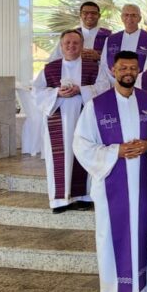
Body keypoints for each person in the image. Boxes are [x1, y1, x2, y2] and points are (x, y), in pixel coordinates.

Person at [73, 50, 147, 292]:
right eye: (123, 68)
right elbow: (82, 144)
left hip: (145, 181)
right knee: (112, 236)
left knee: (143, 232)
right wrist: (116, 152)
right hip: (113, 182)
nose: (128, 72)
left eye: (132, 68)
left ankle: (145, 286)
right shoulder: (97, 105)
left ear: (138, 71)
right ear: (113, 70)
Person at [32, 30, 111, 213]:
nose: (71, 46)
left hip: (85, 119)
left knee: (85, 153)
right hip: (59, 119)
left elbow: (103, 87)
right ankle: (60, 200)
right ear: (61, 46)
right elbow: (36, 91)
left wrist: (81, 91)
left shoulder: (93, 67)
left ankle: (84, 196)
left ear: (82, 46)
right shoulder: (50, 68)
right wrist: (56, 93)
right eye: (67, 43)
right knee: (59, 157)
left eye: (75, 43)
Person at [104, 4, 147, 71]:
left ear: (139, 19)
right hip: (113, 80)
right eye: (126, 15)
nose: (129, 18)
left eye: (134, 15)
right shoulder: (110, 39)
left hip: (141, 80)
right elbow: (103, 65)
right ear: (121, 18)